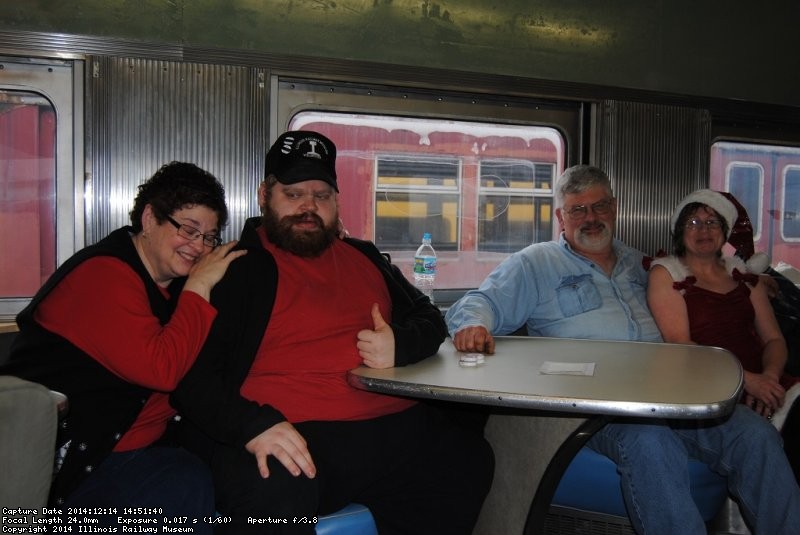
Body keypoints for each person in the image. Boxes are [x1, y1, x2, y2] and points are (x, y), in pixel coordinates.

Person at [445, 164, 800, 535]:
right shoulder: (536, 263)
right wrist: (473, 326)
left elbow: (702, 279)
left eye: (599, 207)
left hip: (669, 394)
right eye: (577, 210)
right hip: (594, 407)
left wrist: (753, 277)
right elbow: (479, 302)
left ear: (614, 208)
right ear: (560, 218)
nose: (591, 218)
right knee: (651, 441)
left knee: (755, 435)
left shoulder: (644, 264)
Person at [170, 131, 494, 535]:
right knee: (273, 494)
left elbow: (429, 318)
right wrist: (250, 425)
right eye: (293, 194)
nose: (308, 207)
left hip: (391, 425)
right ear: (264, 195)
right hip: (292, 431)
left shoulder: (365, 257)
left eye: (321, 195)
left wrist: (399, 343)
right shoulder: (234, 268)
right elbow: (189, 374)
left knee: (467, 457)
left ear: (336, 202)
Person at [1, 162, 245, 530]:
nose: (199, 247)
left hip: (144, 446)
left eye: (209, 237)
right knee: (185, 484)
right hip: (66, 470)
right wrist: (199, 287)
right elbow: (161, 370)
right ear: (149, 218)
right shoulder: (103, 277)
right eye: (189, 230)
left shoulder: (172, 284)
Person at [647, 188, 800, 478]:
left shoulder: (742, 275)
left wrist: (769, 378)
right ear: (680, 231)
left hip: (767, 381)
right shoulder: (666, 274)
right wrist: (746, 382)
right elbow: (682, 346)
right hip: (712, 386)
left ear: (724, 231)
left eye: (712, 222)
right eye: (693, 222)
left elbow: (774, 339)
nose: (703, 229)